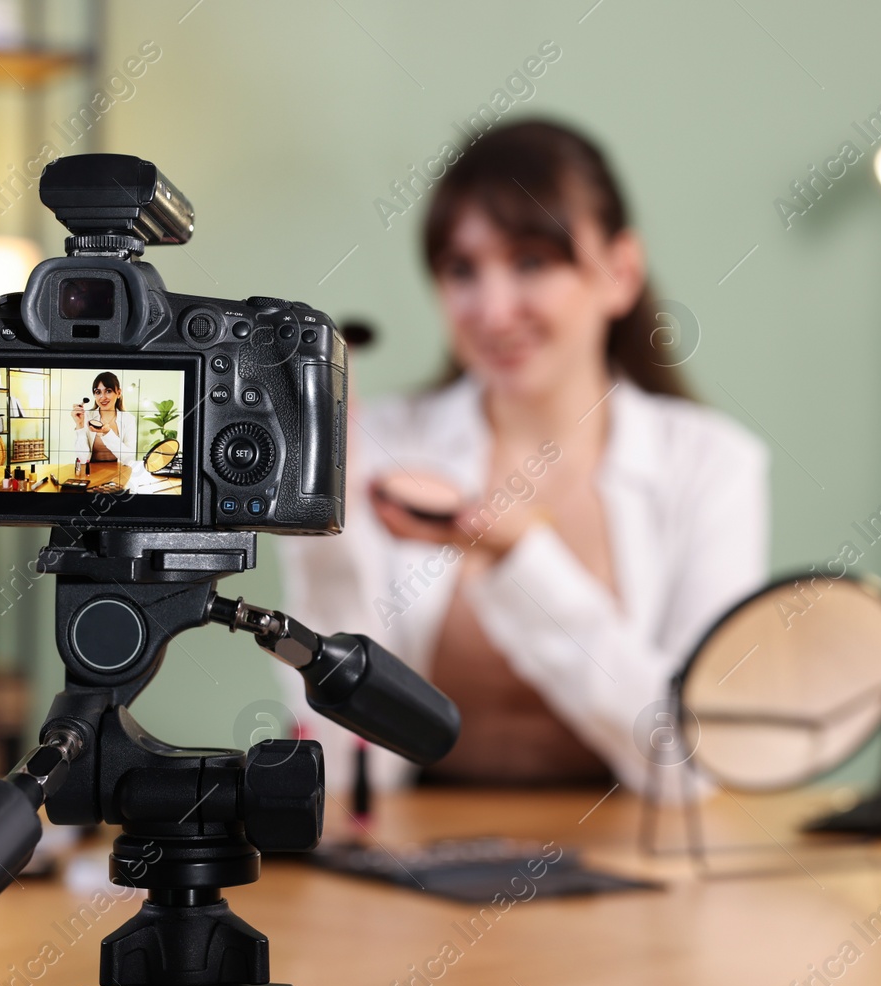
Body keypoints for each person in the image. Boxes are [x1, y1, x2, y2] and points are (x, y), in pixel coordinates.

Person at [275, 120, 769, 796]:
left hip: (629, 874)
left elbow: (688, 763)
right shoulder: (378, 449)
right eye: (461, 270)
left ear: (620, 272)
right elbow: (340, 765)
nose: (494, 310)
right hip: (411, 871)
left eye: (532, 261)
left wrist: (521, 556)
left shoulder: (712, 463)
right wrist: (320, 521)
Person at [72, 371, 156, 492]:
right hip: (91, 474)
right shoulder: (87, 416)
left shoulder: (128, 419)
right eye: (98, 392)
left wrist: (107, 434)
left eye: (108, 391)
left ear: (119, 393)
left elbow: (128, 458)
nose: (102, 397)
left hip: (119, 474)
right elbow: (83, 458)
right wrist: (79, 425)